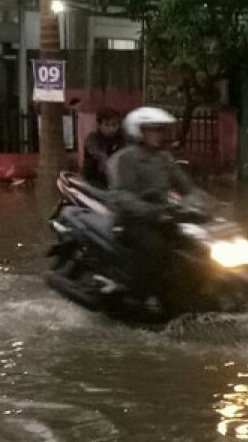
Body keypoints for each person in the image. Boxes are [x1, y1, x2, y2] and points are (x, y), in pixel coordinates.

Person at [106, 107, 204, 308]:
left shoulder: (164, 158)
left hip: (163, 217)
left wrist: (207, 205)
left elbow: (186, 187)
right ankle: (144, 295)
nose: (160, 135)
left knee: (193, 244)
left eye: (161, 130)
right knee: (156, 248)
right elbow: (122, 196)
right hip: (133, 221)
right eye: (154, 130)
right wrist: (151, 211)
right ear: (139, 131)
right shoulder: (125, 159)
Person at [82, 108, 125, 187]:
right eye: (107, 125)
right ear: (99, 125)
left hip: (115, 183)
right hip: (92, 183)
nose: (111, 128)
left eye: (114, 125)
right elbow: (101, 156)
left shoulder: (121, 139)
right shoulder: (92, 139)